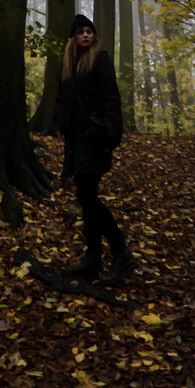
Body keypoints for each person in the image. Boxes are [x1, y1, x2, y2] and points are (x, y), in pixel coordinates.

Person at [54, 14, 136, 285]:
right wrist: (59, 121)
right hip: (76, 141)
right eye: (81, 32)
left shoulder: (100, 61)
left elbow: (111, 97)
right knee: (84, 196)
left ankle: (121, 253)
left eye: (89, 31)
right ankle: (93, 257)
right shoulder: (68, 65)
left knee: (88, 197)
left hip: (96, 138)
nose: (86, 35)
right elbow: (61, 98)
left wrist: (112, 134)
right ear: (74, 37)